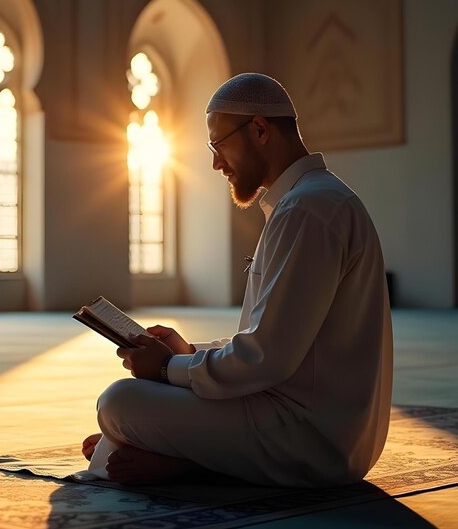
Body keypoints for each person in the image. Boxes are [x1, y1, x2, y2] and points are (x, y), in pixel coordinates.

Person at [82, 73, 393, 487]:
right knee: (132, 405)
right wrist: (189, 351)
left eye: (219, 145)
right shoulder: (310, 201)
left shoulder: (307, 210)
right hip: (315, 422)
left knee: (118, 402)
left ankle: (188, 459)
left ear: (260, 129)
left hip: (313, 439)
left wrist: (167, 369)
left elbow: (265, 358)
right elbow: (275, 342)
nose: (216, 163)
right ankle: (176, 450)